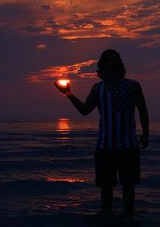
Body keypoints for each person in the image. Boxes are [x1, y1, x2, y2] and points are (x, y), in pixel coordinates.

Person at [54, 49, 149, 215]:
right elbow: (85, 110)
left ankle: (129, 219)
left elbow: (142, 109)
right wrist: (68, 94)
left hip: (129, 146)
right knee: (106, 190)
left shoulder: (133, 85)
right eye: (108, 61)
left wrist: (146, 133)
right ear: (102, 66)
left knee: (129, 188)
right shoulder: (98, 88)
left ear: (120, 64)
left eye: (115, 60)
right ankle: (107, 220)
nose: (112, 64)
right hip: (105, 147)